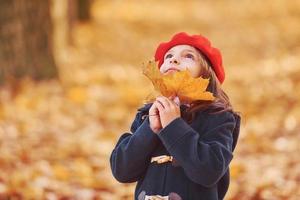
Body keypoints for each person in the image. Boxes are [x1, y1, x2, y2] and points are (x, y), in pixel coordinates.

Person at [110, 32, 241, 200]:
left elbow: (209, 171)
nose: (173, 59)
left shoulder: (218, 117)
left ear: (206, 76)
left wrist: (173, 126)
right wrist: (149, 129)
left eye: (188, 56)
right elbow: (122, 171)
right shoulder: (147, 115)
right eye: (168, 56)